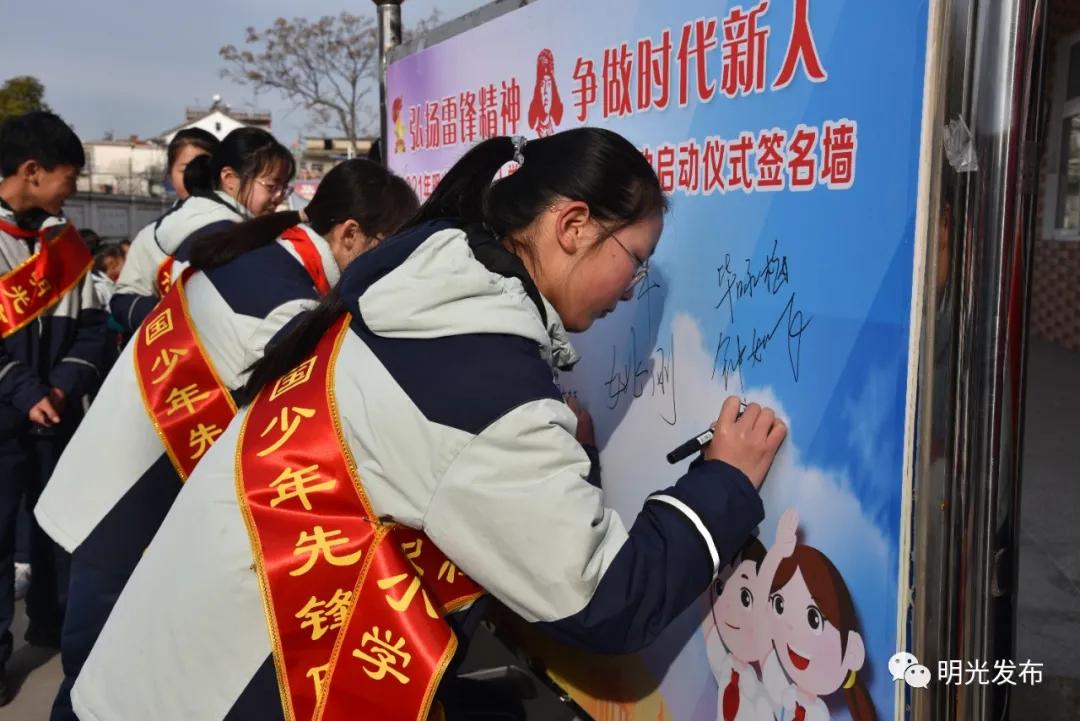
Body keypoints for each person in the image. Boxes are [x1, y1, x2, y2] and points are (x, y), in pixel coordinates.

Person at [70, 129, 787, 721]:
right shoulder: (483, 376)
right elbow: (605, 598)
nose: (633, 290)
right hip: (233, 689)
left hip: (163, 668)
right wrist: (722, 482)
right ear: (571, 226)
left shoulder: (424, 287)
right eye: (635, 261)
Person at [35, 159, 418, 721]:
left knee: (98, 680)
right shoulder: (286, 307)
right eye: (389, 248)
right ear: (351, 234)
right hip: (133, 509)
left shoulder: (255, 253)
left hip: (116, 485)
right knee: (100, 689)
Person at [0, 111, 108, 705]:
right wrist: (24, 390)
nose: (74, 189)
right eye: (68, 177)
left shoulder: (64, 245)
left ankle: (57, 628)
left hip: (60, 418)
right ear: (32, 171)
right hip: (5, 418)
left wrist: (62, 386)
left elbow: (95, 326)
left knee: (59, 530)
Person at [110, 127, 293, 334]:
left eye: (284, 188)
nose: (279, 197)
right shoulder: (225, 234)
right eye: (271, 186)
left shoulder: (248, 228)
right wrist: (167, 322)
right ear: (229, 178)